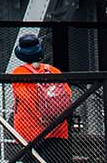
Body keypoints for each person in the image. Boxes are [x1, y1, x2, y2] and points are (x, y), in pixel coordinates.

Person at [10, 30, 71, 162]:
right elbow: (68, 95)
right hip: (58, 129)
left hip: (30, 132)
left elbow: (26, 99)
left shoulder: (19, 73)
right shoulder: (53, 70)